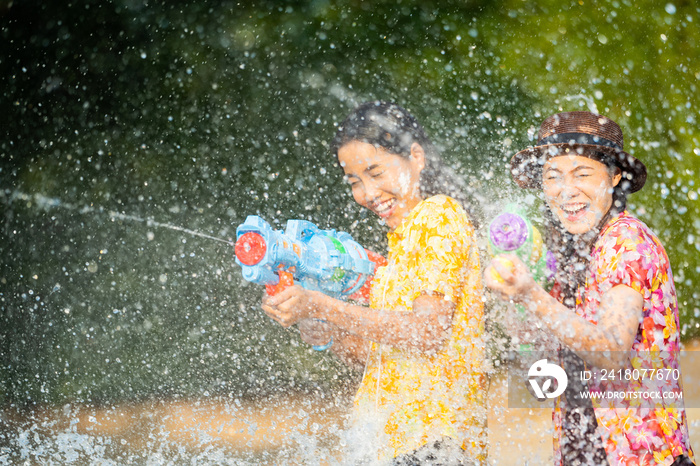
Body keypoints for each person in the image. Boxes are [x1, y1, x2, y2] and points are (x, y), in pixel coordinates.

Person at [261, 101, 487, 465]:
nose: (367, 193)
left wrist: (319, 305)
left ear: (416, 157)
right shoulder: (402, 243)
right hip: (397, 442)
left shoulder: (438, 217)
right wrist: (325, 330)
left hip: (434, 443)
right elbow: (384, 353)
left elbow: (426, 333)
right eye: (355, 182)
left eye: (375, 172)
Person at [484, 111, 696, 466]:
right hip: (587, 451)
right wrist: (511, 298)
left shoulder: (625, 242)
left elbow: (611, 352)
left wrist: (530, 295)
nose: (567, 190)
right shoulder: (579, 253)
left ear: (614, 176)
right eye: (553, 176)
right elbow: (543, 368)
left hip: (640, 456)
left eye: (582, 173)